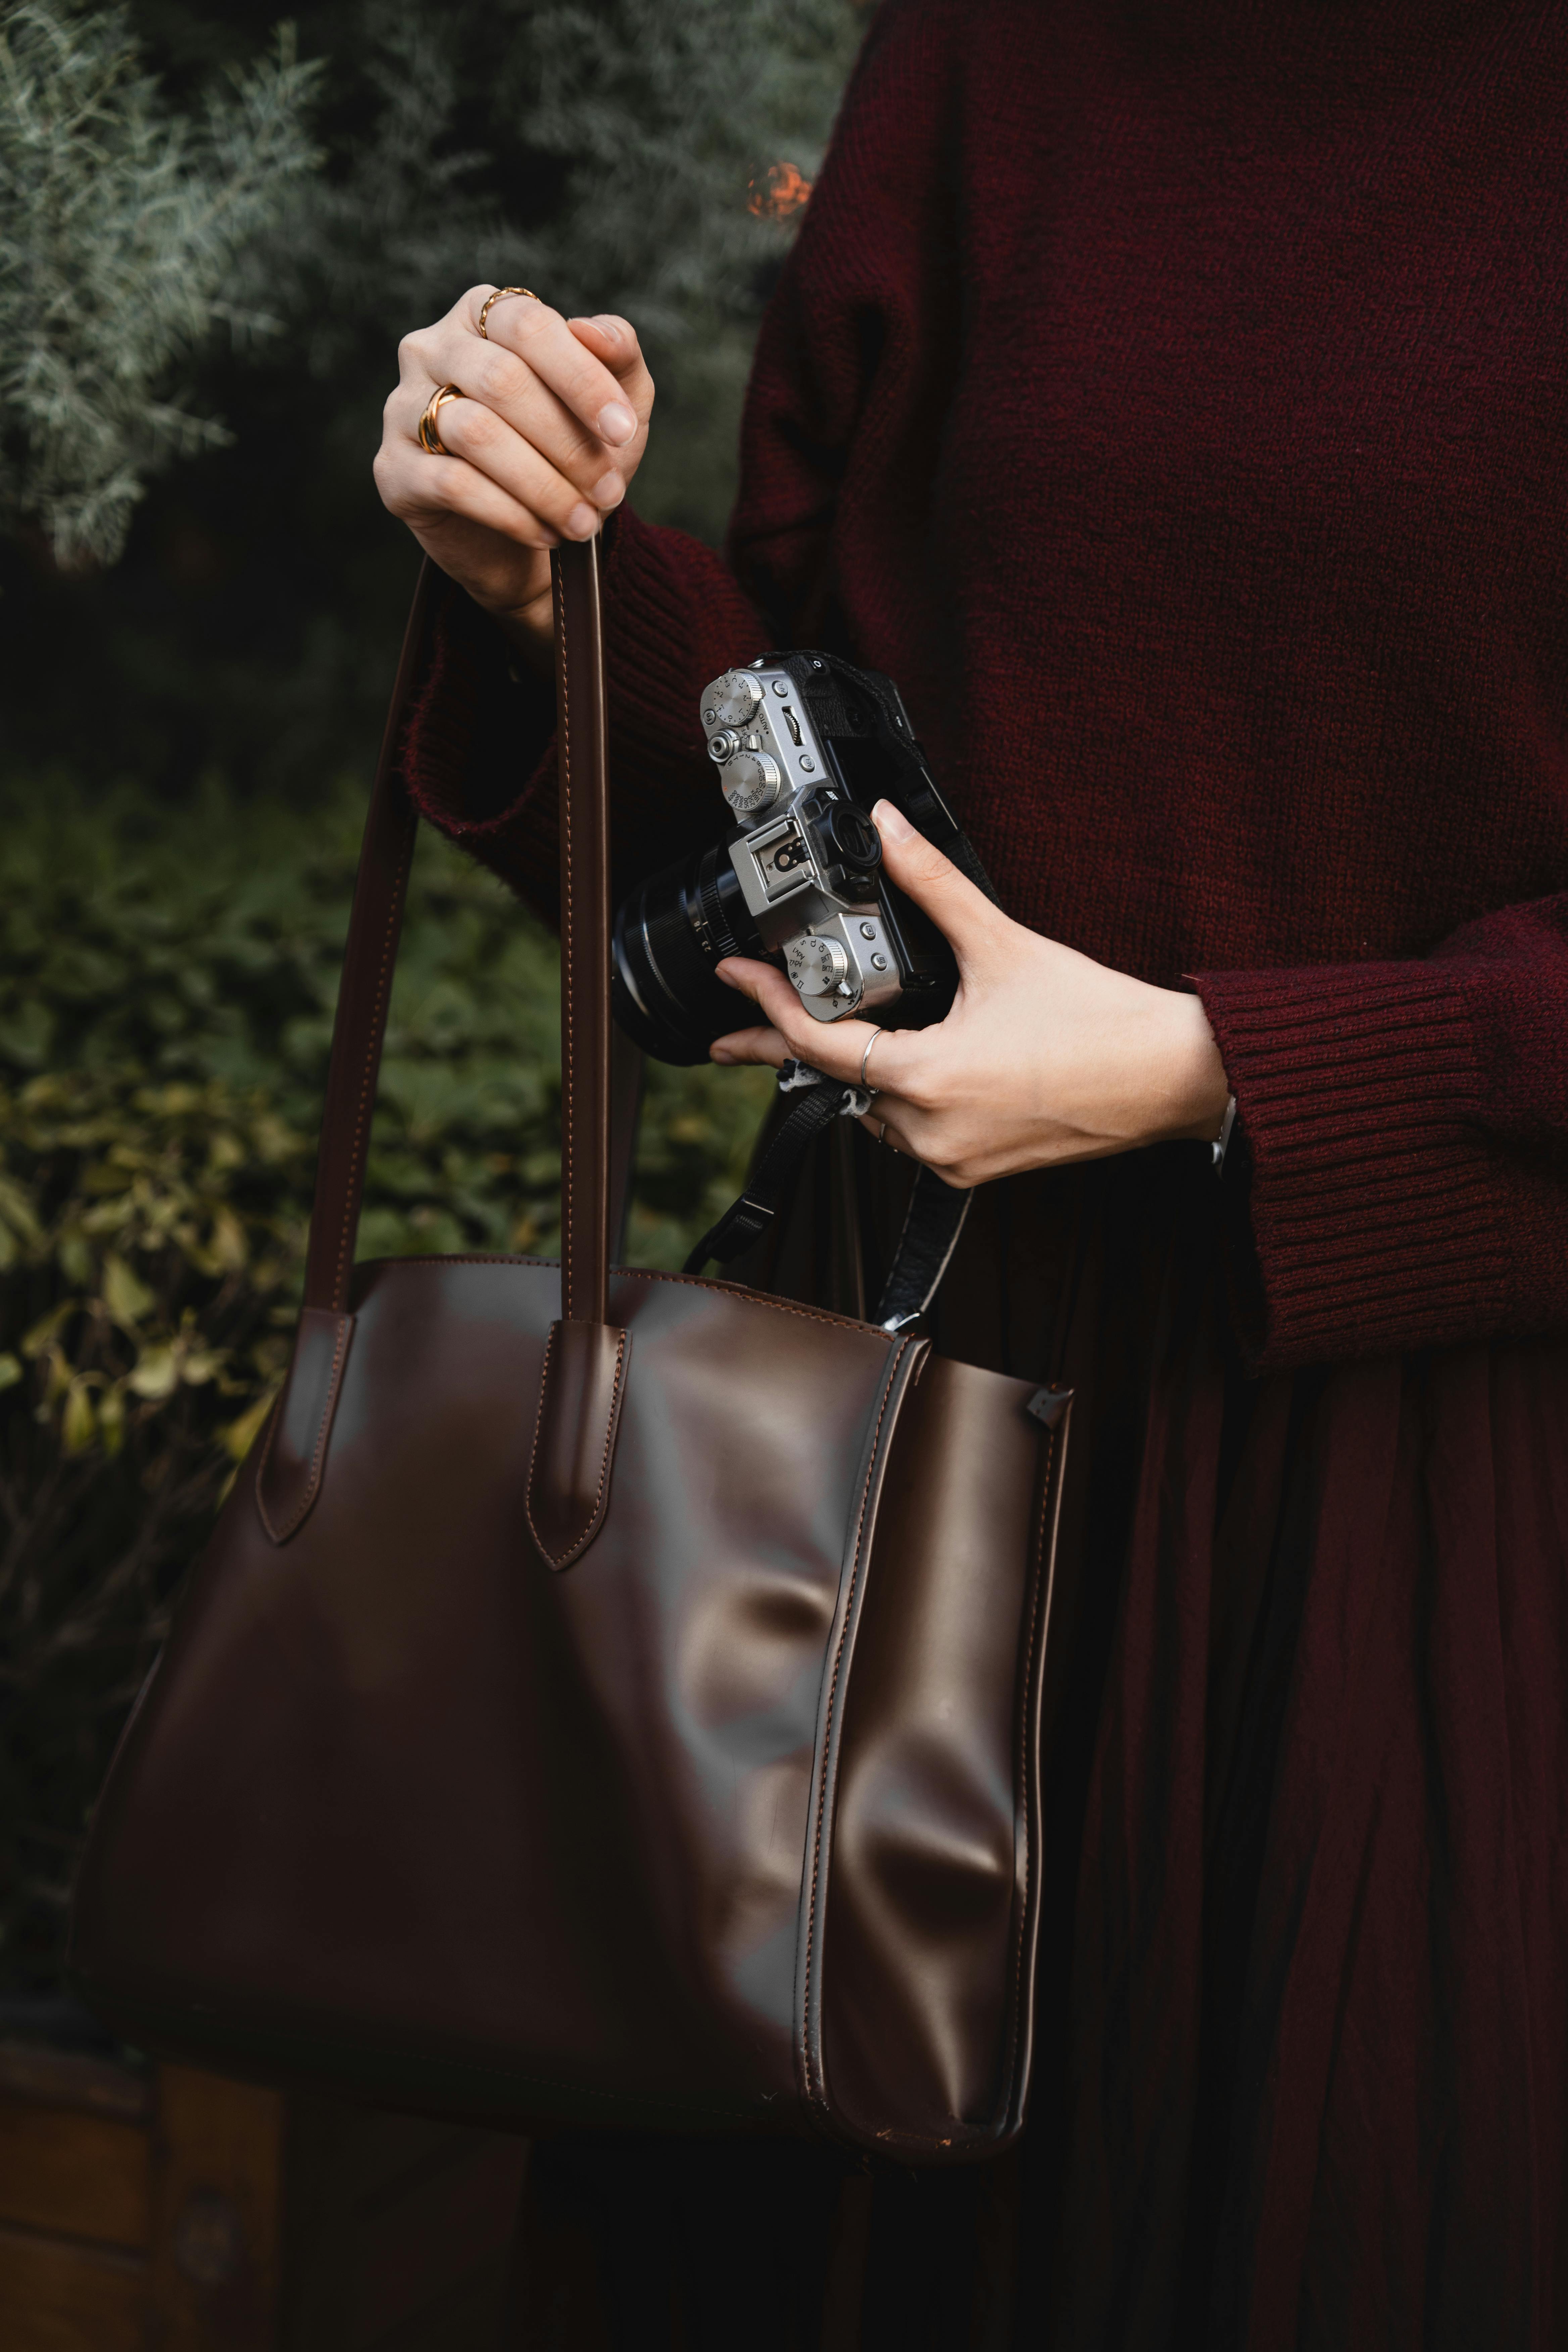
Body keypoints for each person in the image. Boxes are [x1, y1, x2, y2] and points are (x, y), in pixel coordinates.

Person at [373, 2, 1568, 2343]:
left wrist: (1240, 1067)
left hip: (1428, 1518)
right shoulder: (1003, 49)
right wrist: (548, 579)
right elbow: (826, 786)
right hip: (899, 1459)